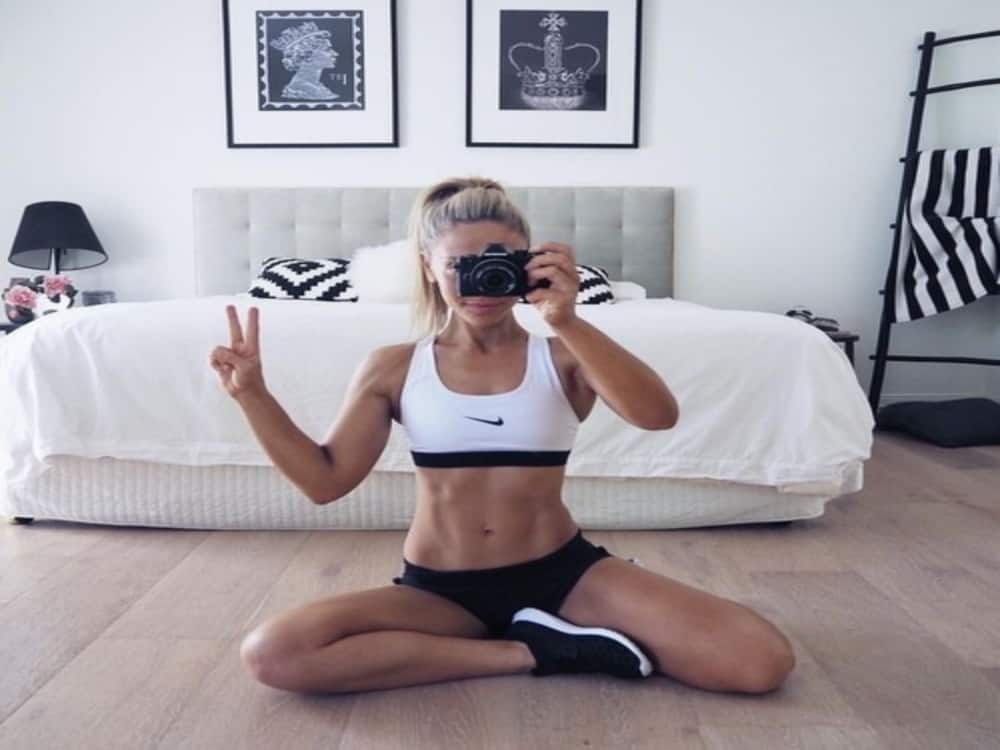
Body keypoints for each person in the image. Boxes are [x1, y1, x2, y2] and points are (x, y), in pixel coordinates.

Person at [209, 177, 796, 695]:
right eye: (458, 265)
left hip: (562, 575)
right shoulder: (394, 367)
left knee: (759, 661)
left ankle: (552, 627)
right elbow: (324, 482)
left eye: (498, 261)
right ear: (428, 267)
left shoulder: (564, 356)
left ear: (531, 263)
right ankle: (537, 649)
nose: (481, 282)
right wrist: (252, 394)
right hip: (440, 592)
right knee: (274, 653)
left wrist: (566, 319)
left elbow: (657, 416)